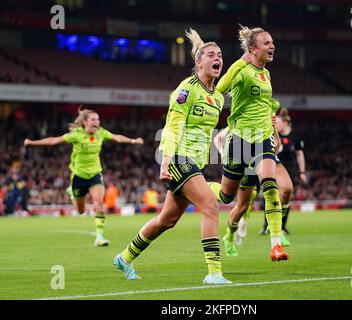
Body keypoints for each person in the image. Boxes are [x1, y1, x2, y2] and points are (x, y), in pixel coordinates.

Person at [113, 28, 231, 284]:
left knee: (167, 220)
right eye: (211, 54)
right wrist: (165, 161)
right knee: (211, 205)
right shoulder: (186, 89)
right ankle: (214, 273)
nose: (218, 58)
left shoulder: (218, 98)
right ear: (198, 62)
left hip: (195, 164)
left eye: (220, 55)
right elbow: (172, 127)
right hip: (178, 159)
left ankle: (125, 257)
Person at [209, 25, 288, 262]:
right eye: (266, 43)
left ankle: (276, 244)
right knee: (227, 197)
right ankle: (229, 232)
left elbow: (264, 108)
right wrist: (240, 62)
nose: (272, 45)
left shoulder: (266, 74)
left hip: (262, 139)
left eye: (272, 42)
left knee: (270, 185)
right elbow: (219, 89)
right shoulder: (243, 71)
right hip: (240, 141)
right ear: (253, 49)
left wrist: (273, 132)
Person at [24, 108, 144, 246]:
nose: (96, 122)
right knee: (80, 211)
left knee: (99, 202)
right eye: (93, 119)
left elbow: (117, 137)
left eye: (98, 119)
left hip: (95, 174)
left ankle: (100, 236)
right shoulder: (76, 135)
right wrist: (33, 143)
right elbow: (54, 141)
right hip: (79, 176)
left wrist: (134, 141)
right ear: (85, 122)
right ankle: (72, 193)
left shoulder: (101, 133)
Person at [260, 107, 307, 242]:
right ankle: (267, 225)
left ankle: (282, 226)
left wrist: (302, 172)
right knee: (270, 195)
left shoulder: (295, 137)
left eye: (279, 123)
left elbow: (300, 154)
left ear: (286, 123)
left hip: (290, 169)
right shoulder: (274, 135)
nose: (277, 125)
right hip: (274, 166)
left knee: (286, 195)